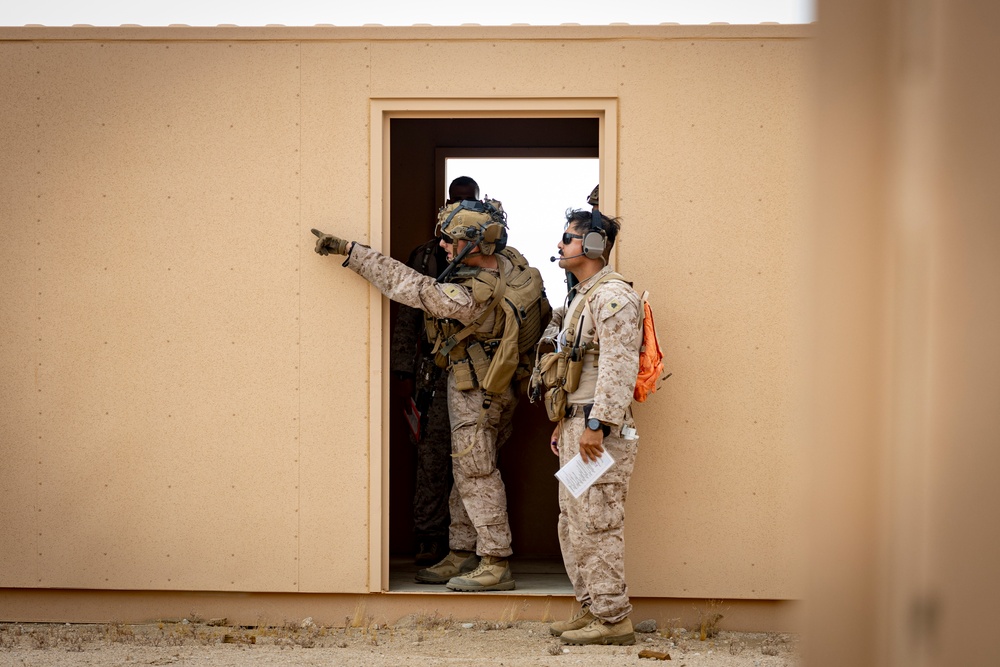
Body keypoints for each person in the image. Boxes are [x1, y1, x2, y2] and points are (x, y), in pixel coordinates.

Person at [314, 196, 538, 592]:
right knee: (467, 469)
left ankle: (494, 560)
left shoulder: (469, 297)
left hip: (478, 390)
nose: (443, 247)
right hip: (500, 386)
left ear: (476, 243)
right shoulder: (514, 264)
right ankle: (463, 551)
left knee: (476, 471)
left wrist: (353, 253)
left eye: (451, 241)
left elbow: (409, 286)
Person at [543, 189, 643, 645]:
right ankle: (591, 608)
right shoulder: (582, 297)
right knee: (574, 518)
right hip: (578, 422)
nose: (561, 244)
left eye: (570, 237)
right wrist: (566, 423)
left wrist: (597, 425)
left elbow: (620, 368)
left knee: (598, 519)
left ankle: (613, 618)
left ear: (595, 245)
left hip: (597, 427)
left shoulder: (613, 297)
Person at [390, 176, 480, 566]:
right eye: (454, 200)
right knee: (431, 460)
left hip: (475, 374)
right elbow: (407, 319)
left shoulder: (490, 258)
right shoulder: (426, 256)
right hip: (431, 371)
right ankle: (429, 538)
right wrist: (401, 372)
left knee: (474, 460)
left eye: (468, 201)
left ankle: (471, 545)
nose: (460, 206)